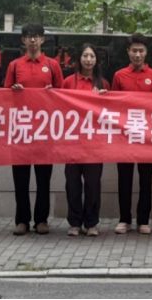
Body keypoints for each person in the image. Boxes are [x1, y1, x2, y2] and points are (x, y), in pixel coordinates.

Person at [4, 23, 64, 235]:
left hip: (44, 130)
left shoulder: (52, 65)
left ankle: (41, 220)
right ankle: (22, 220)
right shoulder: (15, 65)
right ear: (23, 40)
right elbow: (4, 95)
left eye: (36, 36)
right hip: (21, 129)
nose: (32, 40)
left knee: (43, 179)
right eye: (28, 36)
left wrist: (51, 92)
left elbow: (62, 95)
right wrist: (14, 90)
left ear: (42, 40)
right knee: (20, 178)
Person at [111, 33, 152, 235]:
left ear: (146, 52)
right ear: (128, 52)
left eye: (141, 51)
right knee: (124, 179)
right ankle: (124, 219)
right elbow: (113, 105)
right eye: (134, 51)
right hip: (125, 136)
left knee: (146, 180)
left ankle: (143, 220)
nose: (137, 55)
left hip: (147, 136)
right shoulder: (119, 75)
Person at [62, 44, 109, 237]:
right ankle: (74, 222)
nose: (88, 59)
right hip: (73, 141)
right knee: (72, 184)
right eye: (85, 56)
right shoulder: (68, 82)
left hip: (94, 143)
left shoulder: (103, 84)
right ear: (79, 59)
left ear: (96, 60)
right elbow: (59, 107)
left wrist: (102, 99)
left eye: (92, 56)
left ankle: (91, 223)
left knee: (92, 184)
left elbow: (110, 112)